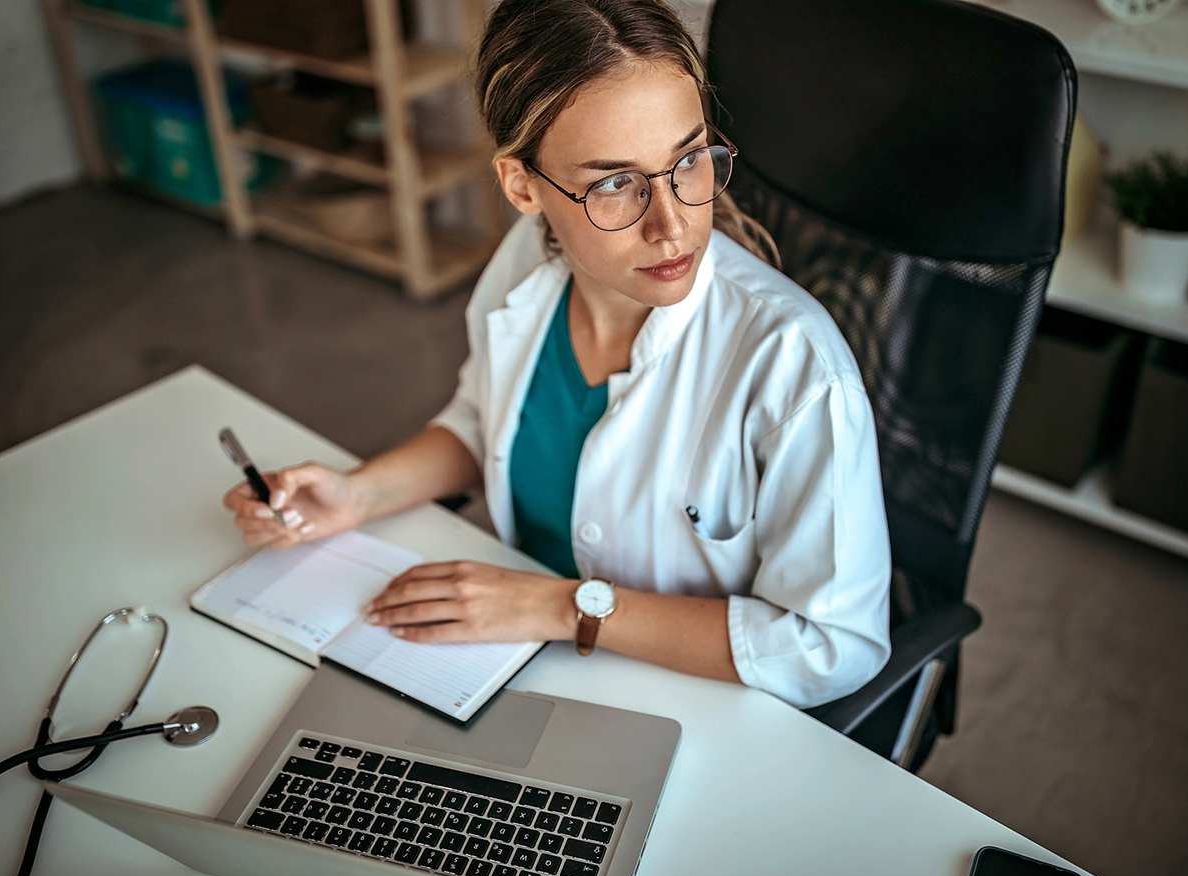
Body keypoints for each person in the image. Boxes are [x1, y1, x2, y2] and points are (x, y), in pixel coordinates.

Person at [224, 0, 891, 709]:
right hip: (522, 659)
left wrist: (563, 607)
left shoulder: (796, 366)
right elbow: (485, 420)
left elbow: (831, 646)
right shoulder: (528, 261)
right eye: (613, 183)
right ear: (523, 187)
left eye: (688, 161)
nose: (673, 225)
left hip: (692, 700)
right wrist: (360, 493)